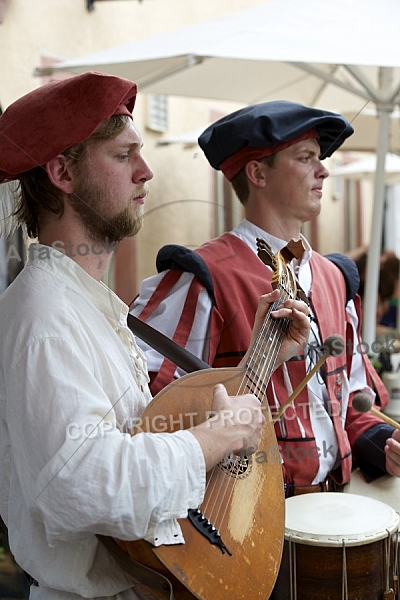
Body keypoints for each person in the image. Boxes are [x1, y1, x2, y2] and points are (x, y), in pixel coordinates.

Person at [0, 74, 311, 600]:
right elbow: (81, 481)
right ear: (62, 173)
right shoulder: (44, 316)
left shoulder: (87, 303)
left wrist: (257, 362)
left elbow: (145, 432)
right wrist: (215, 439)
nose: (146, 172)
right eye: (124, 156)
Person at [132, 100, 400, 493]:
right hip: (244, 520)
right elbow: (152, 413)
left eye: (320, 157)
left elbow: (352, 406)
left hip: (335, 513)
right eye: (306, 157)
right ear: (257, 173)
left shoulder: (336, 279)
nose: (324, 169)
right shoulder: (201, 278)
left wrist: (386, 446)